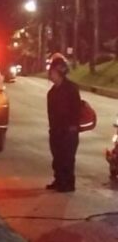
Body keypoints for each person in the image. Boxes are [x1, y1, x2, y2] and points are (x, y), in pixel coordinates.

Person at [46, 57, 81, 193]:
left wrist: (73, 127)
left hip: (69, 131)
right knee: (57, 157)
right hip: (56, 130)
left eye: (53, 71)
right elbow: (51, 113)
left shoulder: (71, 89)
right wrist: (52, 129)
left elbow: (76, 109)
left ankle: (68, 183)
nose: (51, 75)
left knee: (67, 158)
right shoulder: (52, 92)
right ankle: (59, 180)